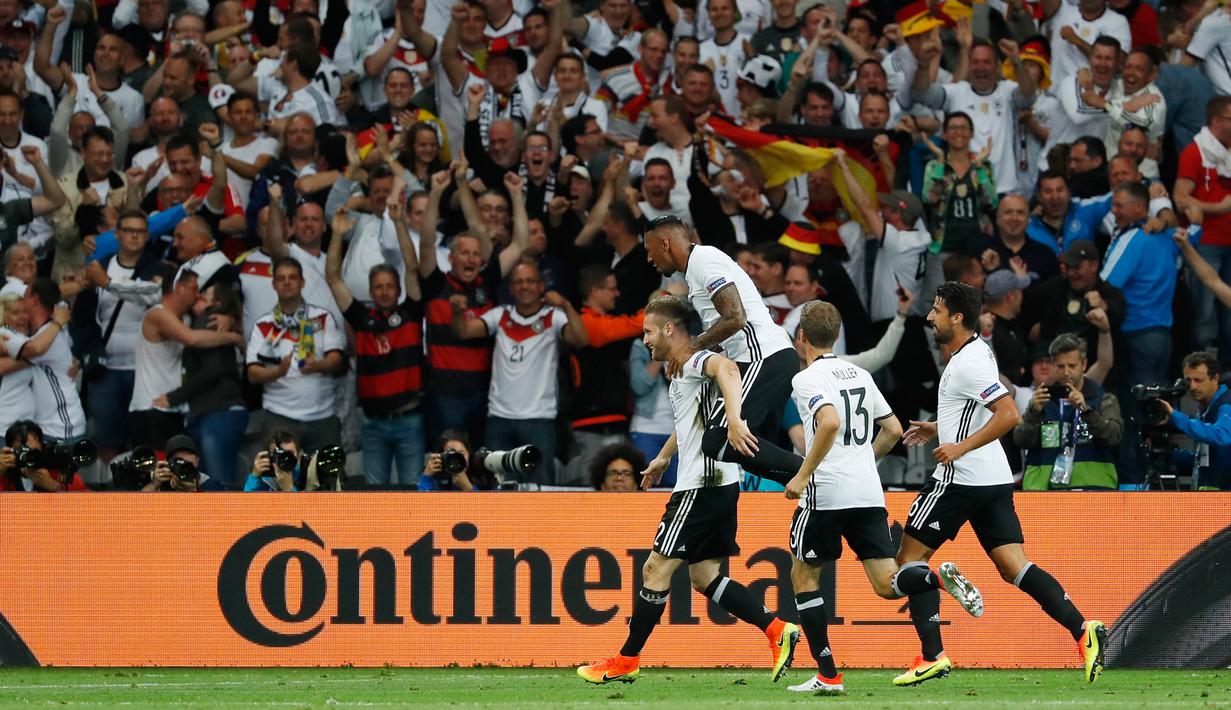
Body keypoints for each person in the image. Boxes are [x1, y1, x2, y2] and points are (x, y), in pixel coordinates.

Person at [576, 295, 801, 685]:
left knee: (654, 568)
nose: (644, 339)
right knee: (705, 576)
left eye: (648, 331)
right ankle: (776, 629)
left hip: (702, 485)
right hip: (720, 483)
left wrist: (734, 420)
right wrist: (664, 457)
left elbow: (729, 369)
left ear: (668, 329)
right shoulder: (682, 366)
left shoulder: (694, 359)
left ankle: (626, 660)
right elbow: (691, 422)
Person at [897, 281, 1107, 686]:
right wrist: (940, 428)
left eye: (937, 310)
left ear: (956, 317)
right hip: (993, 480)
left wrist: (957, 448)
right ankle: (1084, 631)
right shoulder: (976, 351)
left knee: (907, 563)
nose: (930, 317)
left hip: (961, 480)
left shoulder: (969, 362)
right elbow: (978, 412)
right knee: (1016, 568)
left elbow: (1009, 414)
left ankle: (932, 654)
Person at [783, 300, 981, 694]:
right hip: (867, 493)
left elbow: (831, 421)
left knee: (804, 576)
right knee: (888, 585)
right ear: (837, 335)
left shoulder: (805, 379)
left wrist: (803, 474)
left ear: (801, 337)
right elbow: (891, 428)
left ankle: (827, 675)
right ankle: (933, 577)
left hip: (826, 494)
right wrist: (863, 460)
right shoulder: (859, 373)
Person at [643, 214, 804, 484]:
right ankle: (809, 484)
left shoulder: (704, 261)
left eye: (650, 250)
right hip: (759, 358)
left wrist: (690, 347)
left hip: (763, 356)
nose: (650, 259)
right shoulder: (695, 273)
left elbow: (736, 318)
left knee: (720, 440)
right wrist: (665, 455)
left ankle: (813, 473)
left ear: (666, 243)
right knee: (733, 446)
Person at [449, 262, 588, 485]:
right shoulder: (500, 314)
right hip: (499, 417)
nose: (525, 286)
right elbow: (463, 331)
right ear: (511, 288)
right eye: (519, 282)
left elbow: (582, 339)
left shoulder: (553, 317)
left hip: (539, 418)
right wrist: (457, 313)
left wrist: (566, 304)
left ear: (541, 285)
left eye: (530, 281)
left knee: (540, 487)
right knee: (496, 486)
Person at [327, 186, 429, 487]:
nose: (384, 291)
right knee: (375, 498)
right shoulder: (362, 319)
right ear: (371, 292)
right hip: (372, 424)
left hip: (410, 420)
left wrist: (398, 223)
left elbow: (412, 267)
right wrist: (335, 234)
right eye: (379, 287)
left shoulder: (411, 312)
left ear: (398, 290)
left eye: (390, 286)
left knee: (413, 492)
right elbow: (333, 277)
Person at [130, 266, 244, 450]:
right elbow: (191, 339)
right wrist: (234, 337)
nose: (197, 294)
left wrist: (229, 320)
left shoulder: (187, 320)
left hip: (174, 407)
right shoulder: (157, 314)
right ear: (179, 287)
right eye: (193, 288)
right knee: (156, 473)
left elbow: (217, 314)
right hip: (151, 407)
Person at [245, 257, 347, 454]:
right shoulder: (263, 325)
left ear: (302, 282)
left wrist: (317, 365)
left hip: (322, 416)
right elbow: (253, 374)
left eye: (292, 277)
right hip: (279, 416)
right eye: (281, 278)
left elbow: (337, 359)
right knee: (278, 481)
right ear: (273, 284)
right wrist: (278, 371)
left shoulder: (322, 318)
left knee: (330, 481)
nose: (287, 282)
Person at [1014, 333, 1123, 490]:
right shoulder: (1041, 400)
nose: (1066, 372)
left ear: (1084, 364)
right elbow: (1022, 441)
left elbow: (1114, 437)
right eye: (1060, 366)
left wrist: (1086, 411)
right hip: (1044, 493)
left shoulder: (1103, 399)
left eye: (1072, 366)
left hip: (1094, 490)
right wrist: (1033, 412)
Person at [1164, 351, 1231, 491]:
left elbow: (1222, 436)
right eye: (1188, 380)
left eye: (1198, 380)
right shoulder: (1206, 409)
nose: (1192, 386)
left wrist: (1176, 416)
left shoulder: (1227, 405)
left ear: (1215, 378)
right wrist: (1168, 453)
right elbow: (1205, 460)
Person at [0, 420, 87, 491]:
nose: (30, 458)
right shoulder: (6, 471)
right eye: (23, 451)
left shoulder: (55, 469)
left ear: (41, 445)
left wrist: (54, 487)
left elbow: (84, 496)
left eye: (34, 453)